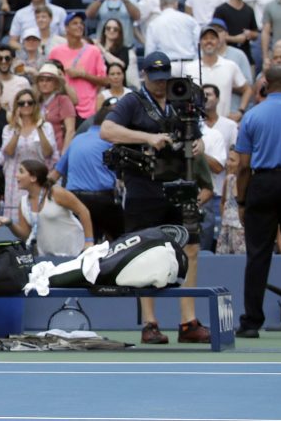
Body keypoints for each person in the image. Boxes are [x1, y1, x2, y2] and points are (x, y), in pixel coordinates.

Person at [100, 51, 212, 345]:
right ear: (145, 75)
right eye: (155, 78)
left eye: (164, 79)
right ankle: (150, 323)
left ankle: (188, 322)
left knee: (191, 248)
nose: (161, 85)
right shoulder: (132, 102)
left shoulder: (181, 97)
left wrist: (198, 142)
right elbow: (107, 130)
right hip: (144, 186)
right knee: (146, 252)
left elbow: (196, 130)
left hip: (180, 182)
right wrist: (148, 138)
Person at [233, 64, 281, 336]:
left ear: (266, 83)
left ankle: (251, 322)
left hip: (263, 183)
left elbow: (243, 165)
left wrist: (241, 201)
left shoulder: (253, 115)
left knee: (258, 255)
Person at [53, 100, 123, 242]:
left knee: (85, 242)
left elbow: (56, 173)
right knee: (121, 240)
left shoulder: (77, 139)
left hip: (74, 199)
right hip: (103, 200)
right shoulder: (112, 140)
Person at [0, 159, 92, 256]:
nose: (16, 175)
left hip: (75, 252)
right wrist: (10, 223)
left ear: (33, 178)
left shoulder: (56, 192)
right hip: (48, 257)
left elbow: (83, 211)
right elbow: (25, 234)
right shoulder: (23, 203)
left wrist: (89, 241)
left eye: (21, 171)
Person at [0, 88, 56, 219]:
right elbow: (8, 151)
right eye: (21, 103)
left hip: (38, 176)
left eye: (30, 102)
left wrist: (39, 129)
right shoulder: (9, 129)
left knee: (39, 212)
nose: (26, 105)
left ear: (35, 105)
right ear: (16, 106)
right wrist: (17, 130)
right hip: (15, 177)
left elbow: (48, 152)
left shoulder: (46, 127)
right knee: (16, 216)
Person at [182, 25, 250, 121]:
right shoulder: (189, 68)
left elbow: (247, 89)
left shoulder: (230, 65)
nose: (209, 41)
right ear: (200, 43)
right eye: (205, 38)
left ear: (218, 42)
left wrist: (240, 112)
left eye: (212, 38)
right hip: (198, 124)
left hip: (224, 122)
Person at [49, 12, 108, 120]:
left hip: (88, 109)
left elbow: (105, 81)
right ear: (66, 28)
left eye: (81, 23)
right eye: (75, 23)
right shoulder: (55, 52)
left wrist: (83, 74)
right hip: (62, 108)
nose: (79, 26)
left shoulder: (93, 50)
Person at [145, 0, 201, 75]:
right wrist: (197, 63)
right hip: (190, 64)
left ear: (160, 6)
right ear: (176, 3)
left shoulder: (154, 24)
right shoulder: (190, 20)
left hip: (166, 66)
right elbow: (198, 43)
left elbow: (150, 51)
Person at [213, 0, 258, 67]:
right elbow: (214, 34)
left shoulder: (249, 10)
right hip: (225, 57)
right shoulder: (220, 10)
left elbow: (256, 33)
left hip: (246, 56)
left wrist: (250, 34)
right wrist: (235, 39)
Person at [35, 62, 76, 156]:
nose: (44, 83)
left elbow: (70, 130)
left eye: (49, 80)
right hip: (36, 150)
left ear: (56, 83)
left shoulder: (63, 100)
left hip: (57, 149)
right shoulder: (35, 101)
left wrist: (64, 154)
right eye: (41, 80)